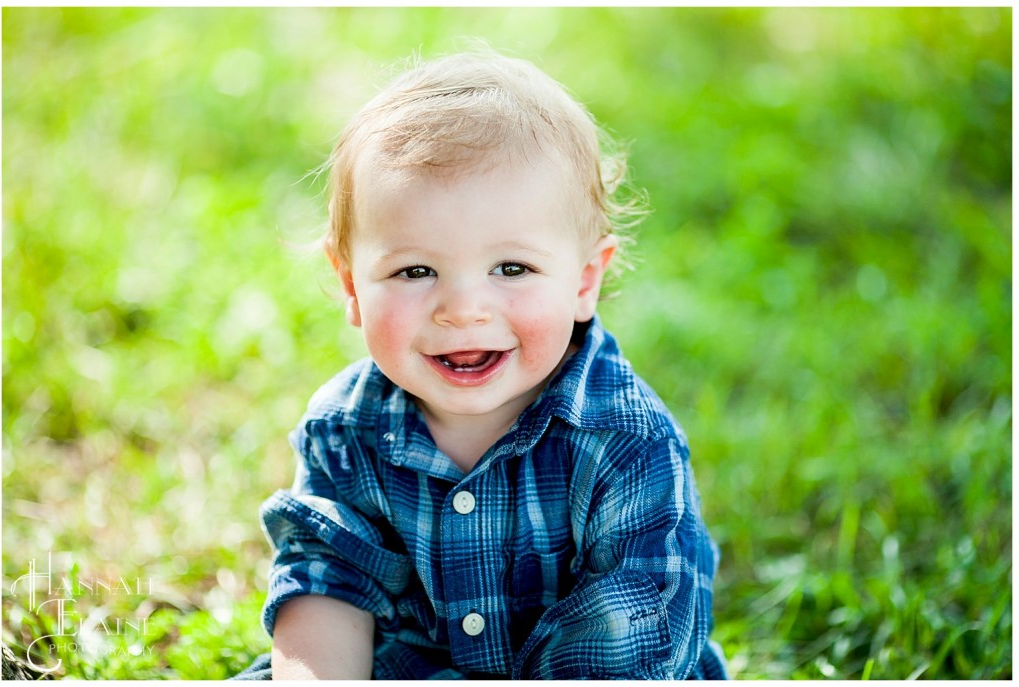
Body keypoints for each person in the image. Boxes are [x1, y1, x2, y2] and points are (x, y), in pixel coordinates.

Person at [239, 49, 726, 680]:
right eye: (416, 271)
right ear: (352, 286)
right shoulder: (345, 431)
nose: (463, 309)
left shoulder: (626, 448)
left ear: (584, 281)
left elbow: (628, 638)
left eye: (511, 268)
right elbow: (329, 584)